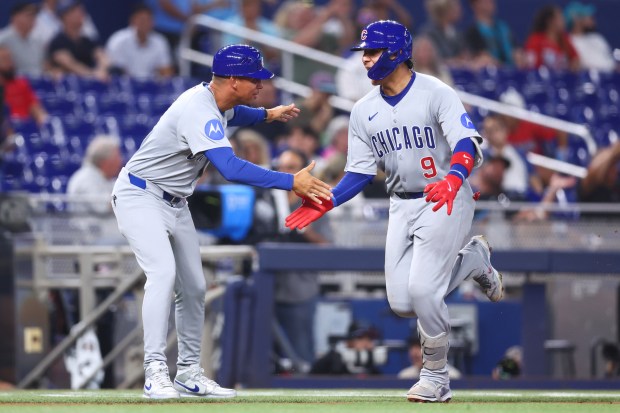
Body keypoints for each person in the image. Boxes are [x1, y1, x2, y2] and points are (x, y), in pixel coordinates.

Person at [285, 20, 504, 403]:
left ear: (399, 54)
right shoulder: (363, 110)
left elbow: (466, 140)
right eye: (364, 52)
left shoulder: (436, 92)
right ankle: (471, 263)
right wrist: (331, 199)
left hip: (444, 197)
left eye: (373, 52)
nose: (366, 59)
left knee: (422, 290)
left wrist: (454, 177)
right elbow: (359, 171)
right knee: (403, 304)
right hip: (400, 203)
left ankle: (435, 376)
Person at [111, 44, 332, 399]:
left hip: (175, 200)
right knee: (163, 273)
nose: (261, 85)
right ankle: (154, 370)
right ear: (232, 79)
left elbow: (238, 114)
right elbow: (230, 169)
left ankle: (188, 372)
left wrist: (267, 115)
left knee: (196, 287)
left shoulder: (217, 101)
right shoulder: (198, 110)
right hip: (140, 195)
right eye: (254, 79)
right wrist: (291, 181)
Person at [105, 4, 174, 78]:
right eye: (141, 20)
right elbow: (114, 71)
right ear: (132, 21)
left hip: (151, 86)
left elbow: (167, 72)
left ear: (153, 22)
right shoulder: (118, 41)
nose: (145, 24)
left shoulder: (160, 41)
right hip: (125, 85)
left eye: (148, 20)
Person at [46, 0, 109, 80]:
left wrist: (102, 70)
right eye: (74, 11)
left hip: (90, 87)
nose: (80, 14)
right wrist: (92, 75)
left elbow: (103, 58)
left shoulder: (87, 41)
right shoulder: (57, 42)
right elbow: (70, 64)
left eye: (81, 11)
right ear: (64, 16)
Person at [0, 46, 48, 126]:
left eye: (10, 59)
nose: (9, 63)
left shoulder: (21, 83)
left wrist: (42, 117)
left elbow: (34, 106)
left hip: (25, 127)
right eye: (4, 59)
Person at [524, 5, 580, 71]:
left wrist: (574, 66)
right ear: (550, 22)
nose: (564, 21)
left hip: (563, 78)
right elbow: (532, 66)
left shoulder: (564, 39)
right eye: (560, 18)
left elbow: (575, 58)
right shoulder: (535, 40)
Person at [565, 1, 616, 73]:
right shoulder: (568, 41)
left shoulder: (597, 38)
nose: (591, 18)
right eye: (587, 16)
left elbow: (611, 61)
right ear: (576, 18)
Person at [0, 0, 46, 77]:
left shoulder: (38, 40)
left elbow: (43, 66)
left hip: (38, 82)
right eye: (29, 15)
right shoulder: (3, 39)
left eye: (34, 15)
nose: (33, 18)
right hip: (14, 83)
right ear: (15, 17)